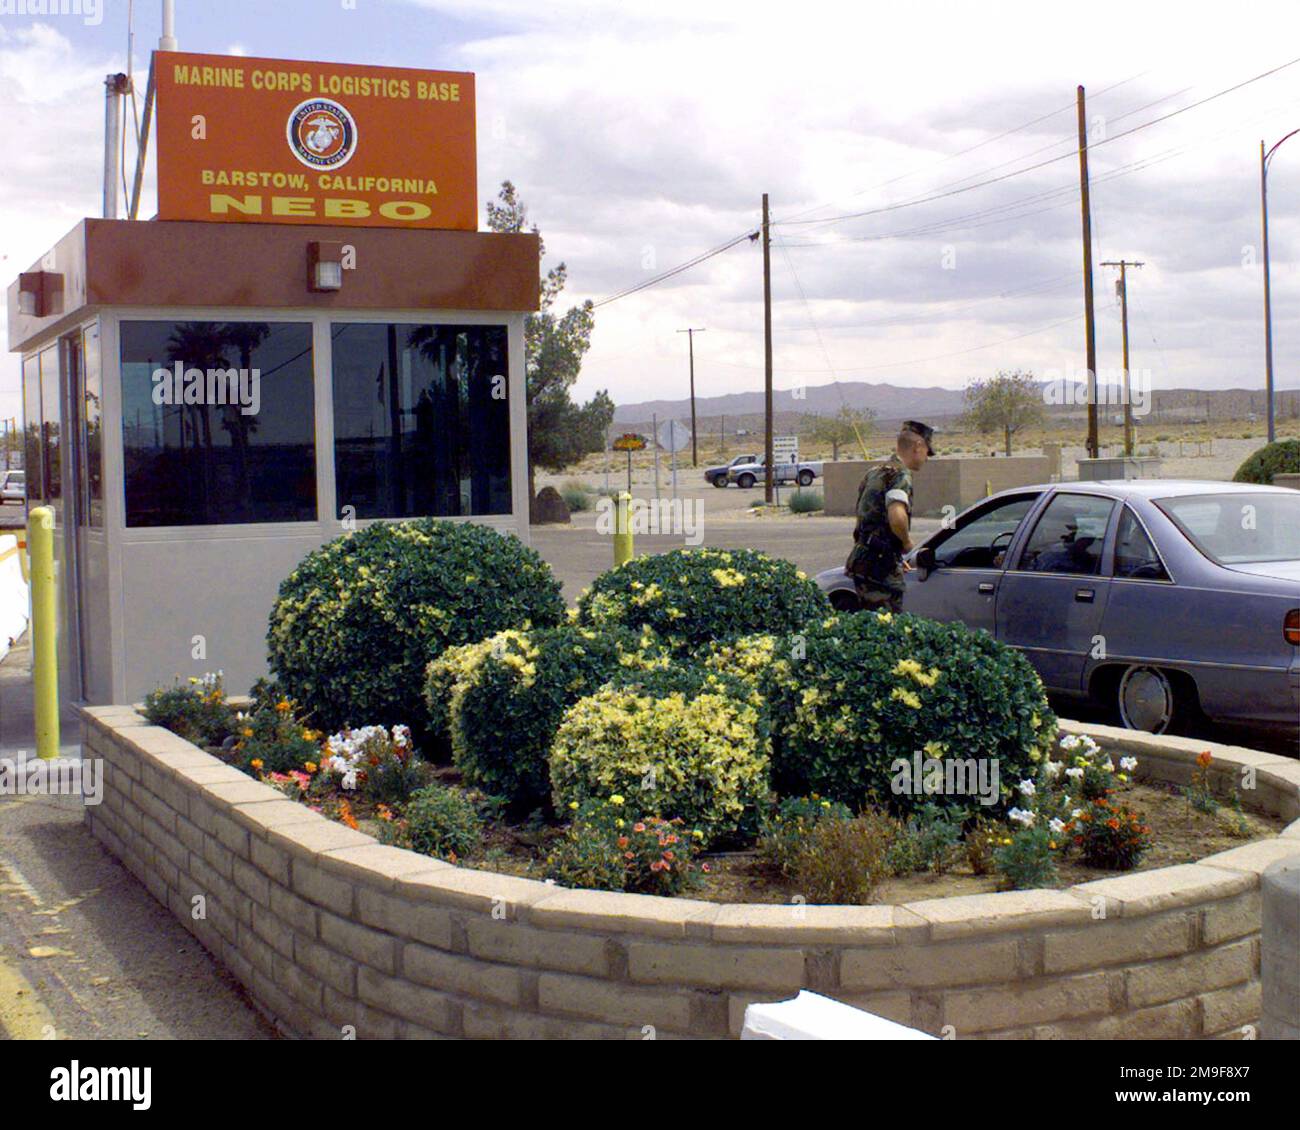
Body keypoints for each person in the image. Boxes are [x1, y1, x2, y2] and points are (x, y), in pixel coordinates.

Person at [845, 420, 934, 613]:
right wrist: (907, 544)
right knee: (886, 629)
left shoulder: (875, 472)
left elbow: (866, 517)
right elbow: (896, 515)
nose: (927, 458)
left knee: (869, 624)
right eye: (928, 451)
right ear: (918, 447)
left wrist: (893, 551)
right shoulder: (901, 475)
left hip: (862, 561)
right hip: (880, 569)